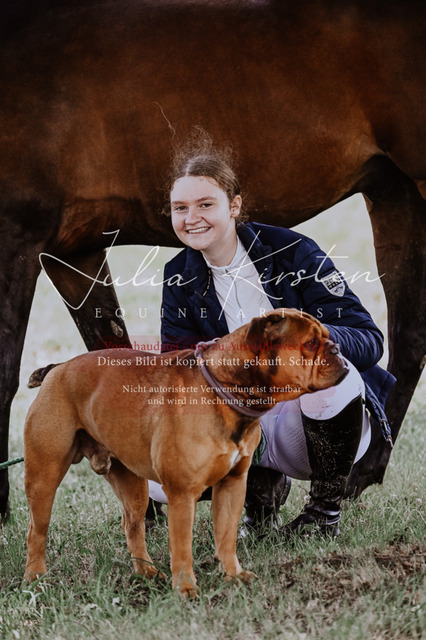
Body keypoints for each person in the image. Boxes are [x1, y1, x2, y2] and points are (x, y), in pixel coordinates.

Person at [147, 143, 395, 538]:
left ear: (234, 206)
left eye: (205, 205)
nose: (191, 218)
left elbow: (369, 339)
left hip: (314, 423)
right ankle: (260, 498)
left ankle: (323, 513)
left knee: (330, 374)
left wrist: (307, 344)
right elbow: (178, 369)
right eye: (180, 208)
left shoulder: (294, 252)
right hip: (243, 423)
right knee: (153, 477)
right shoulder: (178, 274)